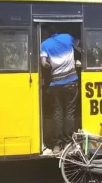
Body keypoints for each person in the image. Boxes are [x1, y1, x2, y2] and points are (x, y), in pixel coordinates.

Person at [40, 24, 80, 154]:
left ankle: (57, 145)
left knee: (58, 113)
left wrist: (50, 66)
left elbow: (43, 63)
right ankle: (68, 142)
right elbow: (78, 43)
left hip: (56, 84)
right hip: (71, 82)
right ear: (57, 31)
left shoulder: (45, 44)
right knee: (69, 112)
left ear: (47, 32)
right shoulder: (67, 38)